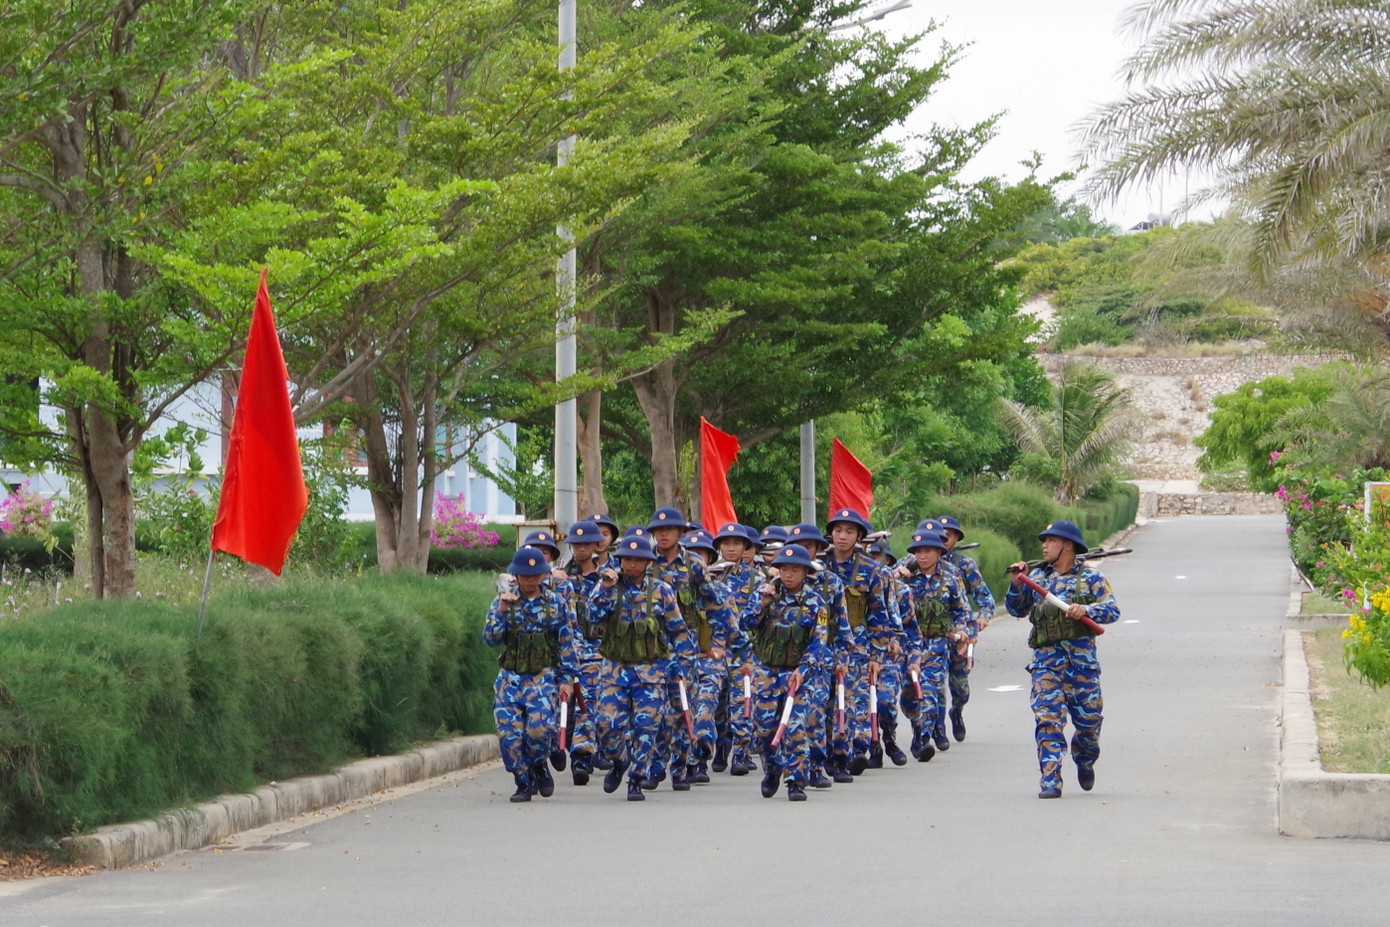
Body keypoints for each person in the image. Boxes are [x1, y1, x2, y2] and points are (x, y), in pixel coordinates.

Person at [1005, 520, 1120, 799]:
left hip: (1082, 666)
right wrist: (1017, 584)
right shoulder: (1038, 578)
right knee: (1048, 719)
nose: (1044, 546)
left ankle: (1085, 757)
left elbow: (1112, 610)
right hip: (1046, 663)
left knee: (1089, 723)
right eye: (1043, 541)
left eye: (1051, 541)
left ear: (1067, 545)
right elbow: (1016, 610)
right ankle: (1050, 779)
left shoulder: (1091, 578)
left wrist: (1088, 609)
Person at [586, 534, 695, 801]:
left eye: (638, 560)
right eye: (627, 559)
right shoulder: (609, 586)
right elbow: (591, 617)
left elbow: (678, 631)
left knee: (647, 727)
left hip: (651, 672)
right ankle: (620, 761)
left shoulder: (661, 591)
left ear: (648, 562)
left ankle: (636, 778)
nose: (632, 565)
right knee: (606, 726)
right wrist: (606, 587)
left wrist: (684, 666)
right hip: (615, 671)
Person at [484, 546, 580, 802]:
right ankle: (522, 781)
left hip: (542, 678)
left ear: (542, 575)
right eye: (523, 575)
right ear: (516, 575)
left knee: (538, 732)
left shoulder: (555, 604)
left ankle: (539, 764)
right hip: (510, 679)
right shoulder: (504, 602)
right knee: (509, 736)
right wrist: (501, 612)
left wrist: (567, 680)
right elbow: (491, 640)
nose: (529, 580)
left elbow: (565, 644)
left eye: (534, 574)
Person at [648, 507, 732, 791]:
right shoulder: (646, 563)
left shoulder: (694, 564)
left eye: (669, 530)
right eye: (658, 530)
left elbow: (713, 603)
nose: (662, 535)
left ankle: (681, 766)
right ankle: (656, 764)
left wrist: (720, 644)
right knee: (656, 710)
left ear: (680, 533)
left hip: (687, 648)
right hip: (653, 648)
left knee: (683, 707)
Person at [742, 543, 830, 801]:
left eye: (795, 570)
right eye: (784, 569)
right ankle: (772, 769)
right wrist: (763, 604)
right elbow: (745, 624)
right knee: (764, 728)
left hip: (799, 674)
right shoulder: (765, 593)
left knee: (794, 727)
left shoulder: (815, 602)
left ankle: (796, 779)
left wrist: (804, 669)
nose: (789, 574)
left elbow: (819, 641)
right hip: (768, 671)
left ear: (805, 572)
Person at [821, 508, 897, 777]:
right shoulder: (818, 564)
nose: (842, 536)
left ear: (859, 536)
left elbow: (878, 613)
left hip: (856, 645)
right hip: (820, 643)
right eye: (838, 530)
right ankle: (824, 755)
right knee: (822, 701)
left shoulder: (870, 570)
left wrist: (876, 655)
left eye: (849, 531)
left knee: (848, 700)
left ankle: (844, 756)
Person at [900, 528, 971, 764]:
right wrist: (895, 576)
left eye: (928, 551)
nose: (923, 556)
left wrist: (962, 630)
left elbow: (962, 610)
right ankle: (916, 724)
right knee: (909, 696)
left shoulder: (951, 578)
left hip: (937, 645)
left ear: (939, 553)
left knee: (929, 693)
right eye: (918, 551)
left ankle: (922, 739)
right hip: (908, 646)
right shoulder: (904, 575)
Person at [936, 515, 996, 746]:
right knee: (934, 683)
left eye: (947, 536)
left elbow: (985, 598)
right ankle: (937, 727)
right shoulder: (917, 562)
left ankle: (957, 711)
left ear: (956, 538)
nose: (943, 540)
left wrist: (982, 618)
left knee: (960, 686)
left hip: (962, 633)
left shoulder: (965, 565)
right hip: (933, 634)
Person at [559, 519, 605, 784]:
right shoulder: (559, 576)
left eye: (585, 544)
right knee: (562, 705)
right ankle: (563, 745)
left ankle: (582, 757)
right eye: (576, 544)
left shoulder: (607, 578)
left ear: (596, 545)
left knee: (587, 705)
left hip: (594, 652)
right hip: (565, 653)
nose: (580, 550)